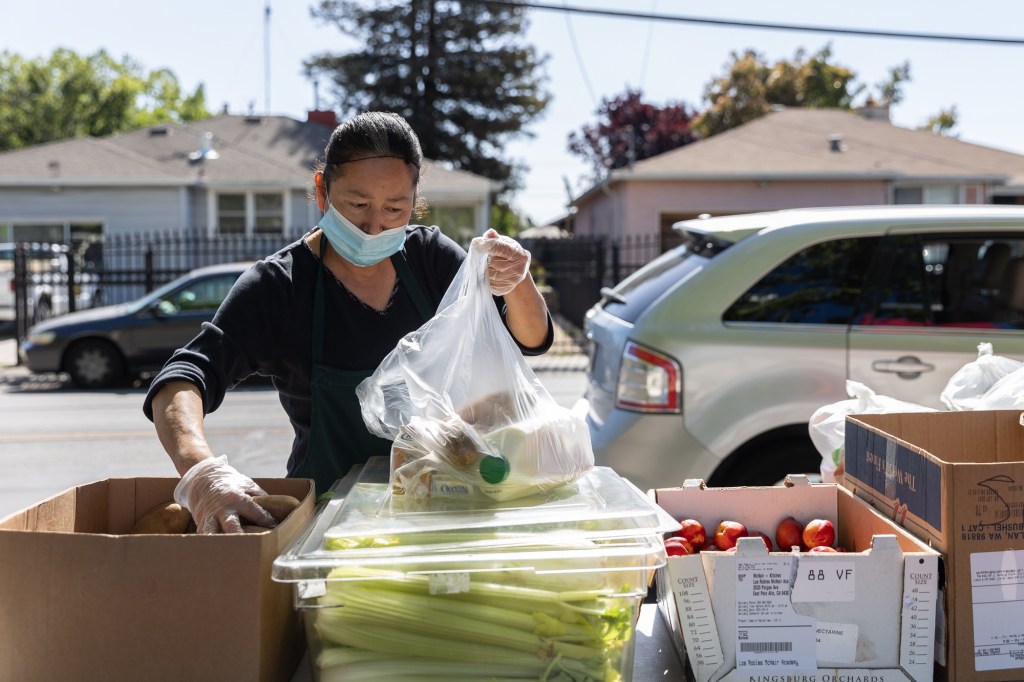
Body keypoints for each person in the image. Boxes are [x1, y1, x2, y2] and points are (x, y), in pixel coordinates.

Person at [143, 111, 553, 533]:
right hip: (326, 523)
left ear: (415, 203)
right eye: (357, 204)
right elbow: (184, 378)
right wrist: (201, 473)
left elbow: (530, 338)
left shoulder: (432, 260)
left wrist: (518, 282)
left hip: (446, 506)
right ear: (321, 190)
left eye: (395, 208)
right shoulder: (280, 286)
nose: (374, 226)